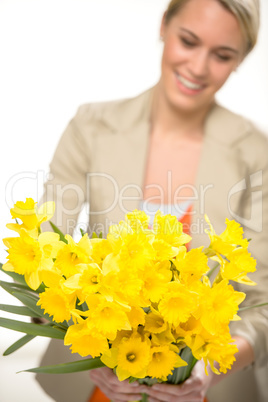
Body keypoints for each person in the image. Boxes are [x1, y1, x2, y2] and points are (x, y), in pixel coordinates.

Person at [37, 0, 268, 401]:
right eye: (188, 41)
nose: (197, 67)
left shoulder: (255, 154)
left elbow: (263, 302)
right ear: (164, 25)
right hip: (98, 386)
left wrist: (208, 368)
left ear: (240, 59)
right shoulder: (91, 128)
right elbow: (44, 253)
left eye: (222, 55)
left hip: (209, 390)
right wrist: (102, 357)